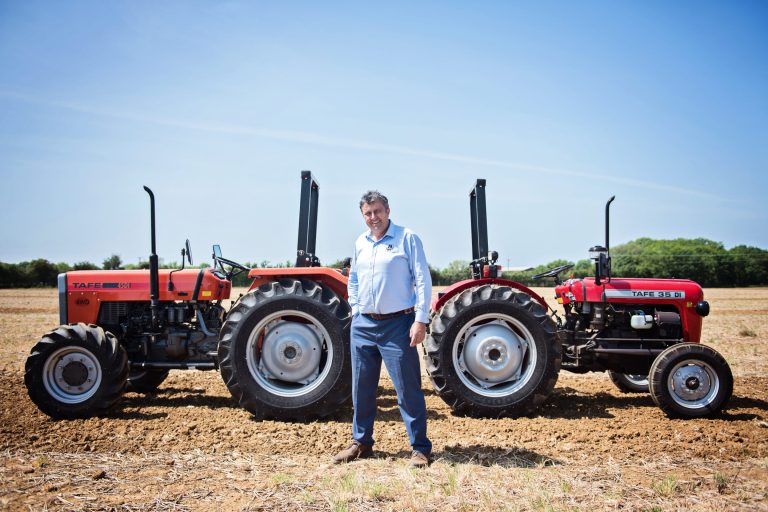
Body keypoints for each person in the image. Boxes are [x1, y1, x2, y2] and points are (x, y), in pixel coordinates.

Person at [333, 190, 433, 467]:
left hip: (398, 324)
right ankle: (361, 442)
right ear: (363, 215)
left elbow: (422, 280)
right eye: (367, 213)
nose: (373, 218)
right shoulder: (360, 243)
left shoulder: (407, 238)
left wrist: (420, 320)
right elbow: (353, 279)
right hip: (364, 324)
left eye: (377, 211)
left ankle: (420, 448)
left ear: (388, 211)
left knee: (407, 389)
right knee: (361, 388)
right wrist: (355, 308)